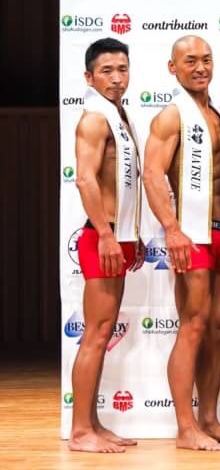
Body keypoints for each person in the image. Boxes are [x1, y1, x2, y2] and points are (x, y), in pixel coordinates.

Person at [142, 36, 220, 451]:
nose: (200, 67)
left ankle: (209, 419)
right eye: (190, 61)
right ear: (173, 67)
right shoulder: (171, 116)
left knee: (219, 329)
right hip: (193, 232)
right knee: (194, 325)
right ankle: (185, 428)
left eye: (206, 60)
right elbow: (152, 174)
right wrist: (172, 228)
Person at [69, 38, 142, 453]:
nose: (116, 78)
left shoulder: (119, 115)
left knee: (103, 333)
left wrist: (132, 233)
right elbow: (85, 179)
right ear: (89, 77)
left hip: (118, 233)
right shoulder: (95, 119)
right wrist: (108, 234)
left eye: (122, 69)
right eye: (107, 71)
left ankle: (93, 423)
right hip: (102, 236)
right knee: (95, 335)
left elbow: (124, 185)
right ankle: (80, 432)